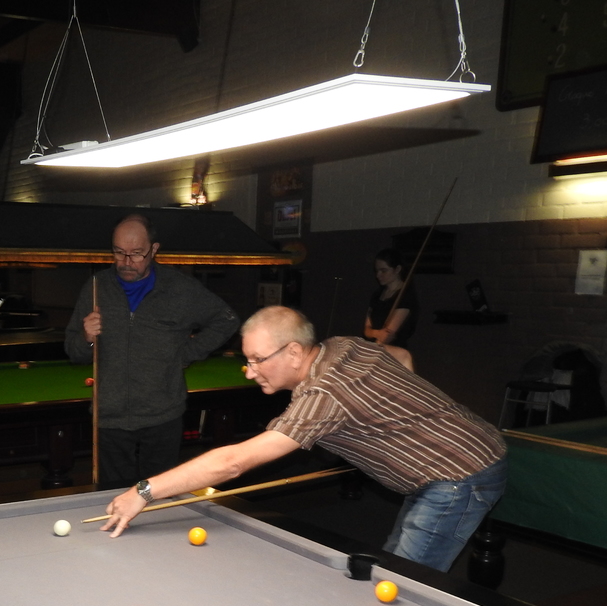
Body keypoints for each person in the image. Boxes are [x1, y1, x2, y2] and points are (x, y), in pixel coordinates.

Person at [102, 306, 507, 573]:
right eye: (247, 359)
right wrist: (400, 417)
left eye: (257, 360)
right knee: (393, 562)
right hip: (456, 457)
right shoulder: (343, 345)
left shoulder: (324, 395)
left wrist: (144, 491)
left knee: (404, 583)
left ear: (294, 353)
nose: (249, 371)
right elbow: (400, 356)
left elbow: (233, 462)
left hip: (460, 473)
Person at [65, 213, 239, 488]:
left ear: (154, 249)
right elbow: (74, 351)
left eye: (136, 253)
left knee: (159, 496)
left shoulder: (180, 289)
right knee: (113, 496)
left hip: (163, 415)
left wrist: (185, 354)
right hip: (109, 417)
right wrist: (86, 337)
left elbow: (226, 319)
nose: (126, 262)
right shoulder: (96, 287)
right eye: (118, 252)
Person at [363, 248, 417, 371]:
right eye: (377, 271)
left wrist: (376, 333)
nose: (378, 275)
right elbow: (366, 330)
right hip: (374, 353)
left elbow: (386, 336)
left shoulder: (406, 297)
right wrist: (376, 333)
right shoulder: (377, 295)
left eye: (383, 270)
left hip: (394, 358)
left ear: (397, 269)